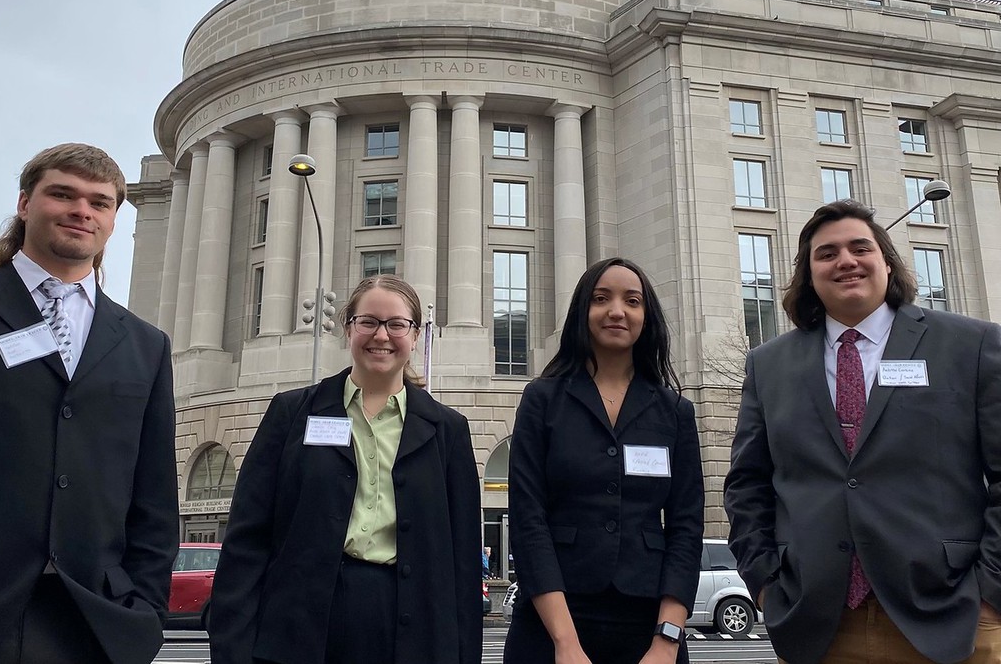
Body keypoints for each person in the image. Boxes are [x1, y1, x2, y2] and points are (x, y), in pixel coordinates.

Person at [723, 199, 1001, 664]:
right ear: (808, 275)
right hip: (820, 624)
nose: (846, 260)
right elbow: (747, 483)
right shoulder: (768, 365)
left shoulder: (971, 346)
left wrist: (990, 588)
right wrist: (766, 583)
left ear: (887, 263)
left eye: (860, 247)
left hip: (954, 619)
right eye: (826, 253)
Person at [208, 274, 482, 664]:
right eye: (368, 322)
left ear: (416, 334)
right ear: (347, 328)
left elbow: (462, 558)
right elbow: (247, 538)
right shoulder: (293, 414)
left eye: (397, 324)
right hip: (301, 630)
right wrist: (232, 648)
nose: (381, 336)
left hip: (410, 628)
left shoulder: (447, 431)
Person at [0, 143, 179, 664]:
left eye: (99, 202)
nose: (81, 211)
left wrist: (146, 613)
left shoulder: (145, 343)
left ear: (113, 219)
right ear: (25, 204)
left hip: (96, 620)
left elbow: (154, 493)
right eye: (62, 194)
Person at [505, 257, 704, 664]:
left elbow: (686, 527)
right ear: (583, 311)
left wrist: (667, 641)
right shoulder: (542, 400)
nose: (617, 310)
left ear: (646, 317)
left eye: (632, 301)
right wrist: (565, 643)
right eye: (601, 298)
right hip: (553, 622)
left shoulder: (674, 412)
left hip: (648, 626)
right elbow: (528, 520)